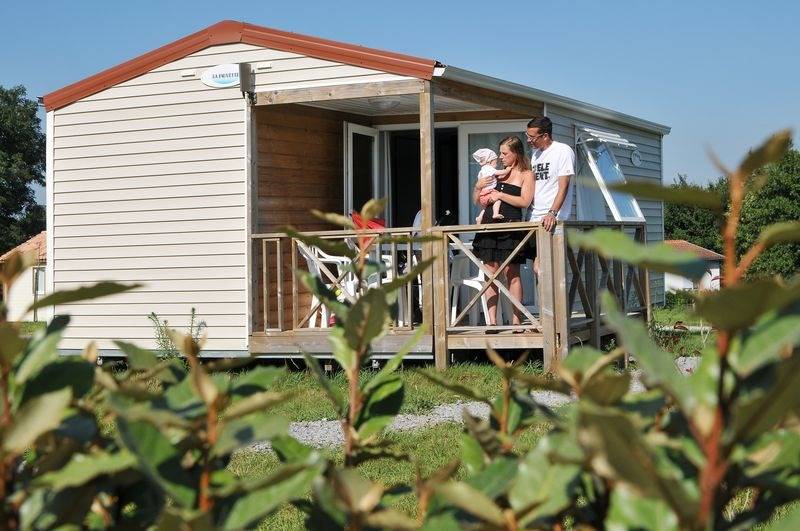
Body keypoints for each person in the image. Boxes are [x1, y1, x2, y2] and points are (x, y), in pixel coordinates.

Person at [471, 136, 534, 333]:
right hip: (489, 226)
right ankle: (492, 322)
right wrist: (478, 187)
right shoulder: (493, 173)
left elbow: (525, 201)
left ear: (516, 153)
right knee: (490, 274)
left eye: (504, 153)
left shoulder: (526, 174)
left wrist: (500, 195)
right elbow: (477, 201)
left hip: (511, 226)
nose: (500, 157)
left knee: (512, 273)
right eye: (500, 153)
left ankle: (516, 321)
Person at [524, 116, 575, 273]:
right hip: (533, 218)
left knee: (547, 268)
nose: (528, 140)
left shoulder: (562, 151)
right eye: (527, 136)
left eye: (532, 137)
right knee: (538, 268)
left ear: (545, 135)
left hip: (551, 219)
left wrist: (552, 213)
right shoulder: (535, 154)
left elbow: (563, 186)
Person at [473, 148, 512, 223]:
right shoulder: (489, 169)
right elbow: (500, 173)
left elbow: (476, 201)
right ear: (490, 161)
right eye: (495, 162)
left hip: (482, 195)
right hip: (488, 192)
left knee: (485, 208)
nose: (496, 164)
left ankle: (480, 217)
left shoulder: (481, 171)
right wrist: (507, 170)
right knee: (498, 200)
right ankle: (495, 213)